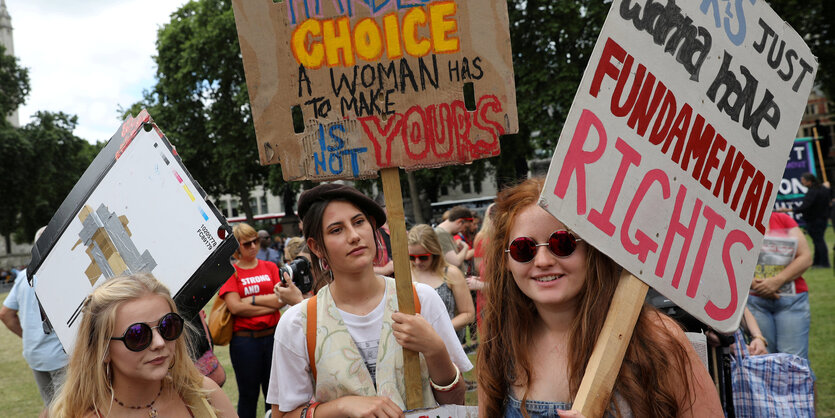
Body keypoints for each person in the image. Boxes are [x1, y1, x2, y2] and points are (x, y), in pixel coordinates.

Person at [477, 178, 722, 417]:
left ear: (591, 249)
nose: (543, 261)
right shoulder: (501, 343)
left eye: (562, 243)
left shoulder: (657, 337)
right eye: (524, 249)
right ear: (506, 260)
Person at [267, 183, 471, 417]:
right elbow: (283, 415)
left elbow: (457, 402)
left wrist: (436, 351)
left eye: (359, 222)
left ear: (373, 227)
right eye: (336, 230)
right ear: (316, 247)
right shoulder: (298, 323)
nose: (354, 236)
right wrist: (341, 406)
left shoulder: (422, 300)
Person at [49, 273, 235, 417]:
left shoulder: (204, 393)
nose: (159, 343)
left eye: (168, 326)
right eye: (137, 335)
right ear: (103, 350)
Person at [219, 222, 286, 418]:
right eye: (247, 244)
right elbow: (235, 307)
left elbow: (281, 299)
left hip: (274, 337)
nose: (253, 246)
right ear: (236, 248)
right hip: (245, 342)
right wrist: (270, 305)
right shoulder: (231, 272)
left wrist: (253, 300)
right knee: (248, 395)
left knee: (274, 396)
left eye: (255, 241)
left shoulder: (271, 267)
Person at [0, 227, 68, 410]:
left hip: (35, 354)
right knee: (68, 409)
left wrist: (29, 336)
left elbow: (5, 313)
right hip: (60, 357)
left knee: (51, 407)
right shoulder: (63, 276)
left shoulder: (22, 277)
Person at [746, 212, 813, 359]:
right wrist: (754, 283)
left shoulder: (782, 219)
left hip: (792, 300)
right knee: (764, 358)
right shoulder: (738, 221)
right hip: (754, 302)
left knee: (794, 362)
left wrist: (777, 281)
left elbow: (806, 257)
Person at [408, 224, 475, 341]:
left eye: (423, 257)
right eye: (412, 257)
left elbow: (468, 314)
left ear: (435, 252)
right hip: (415, 345)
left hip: (447, 344)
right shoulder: (405, 274)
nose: (417, 262)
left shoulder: (451, 273)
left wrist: (438, 329)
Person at [795, 173, 830, 267]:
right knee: (817, 241)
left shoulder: (813, 192)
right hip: (822, 218)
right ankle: (818, 261)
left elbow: (806, 205)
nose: (801, 182)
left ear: (809, 181)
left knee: (818, 241)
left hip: (814, 219)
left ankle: (824, 262)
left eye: (803, 180)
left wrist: (795, 210)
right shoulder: (823, 189)